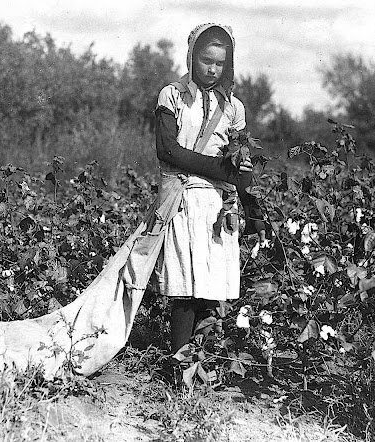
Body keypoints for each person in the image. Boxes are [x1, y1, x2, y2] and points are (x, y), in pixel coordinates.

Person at [154, 23, 267, 356]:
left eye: (220, 63)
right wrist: (224, 170)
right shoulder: (172, 95)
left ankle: (202, 362)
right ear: (192, 57)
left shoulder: (234, 107)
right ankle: (181, 365)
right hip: (182, 196)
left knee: (210, 283)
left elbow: (240, 163)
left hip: (217, 204)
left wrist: (252, 206)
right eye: (206, 60)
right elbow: (168, 150)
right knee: (183, 283)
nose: (212, 69)